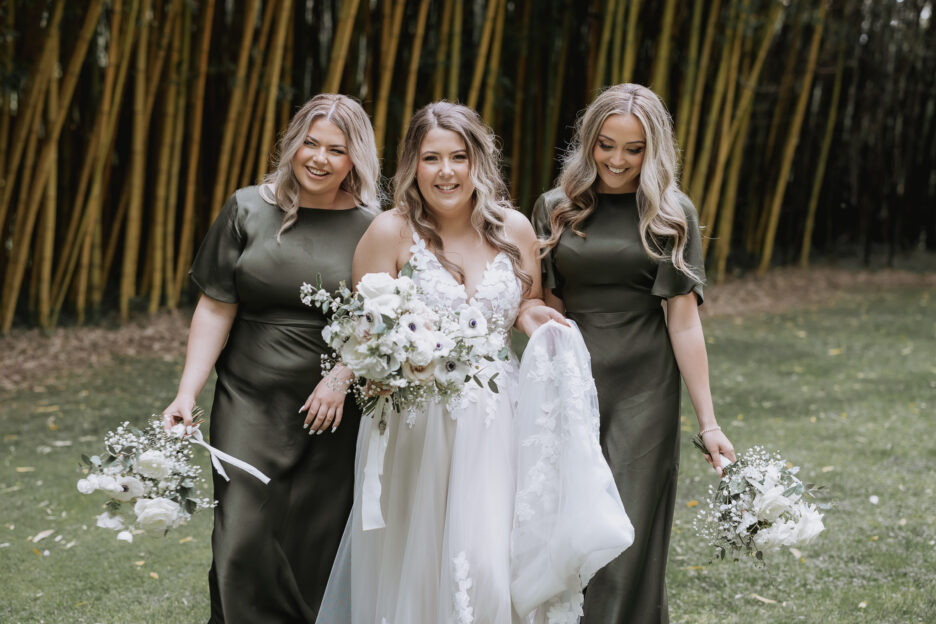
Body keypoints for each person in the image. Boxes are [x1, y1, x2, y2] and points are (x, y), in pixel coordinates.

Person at [316, 101, 626, 624]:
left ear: (478, 161)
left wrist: (536, 321)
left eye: (458, 156)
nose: (446, 171)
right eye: (431, 157)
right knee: (413, 568)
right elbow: (363, 331)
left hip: (494, 419)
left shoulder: (514, 228)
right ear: (413, 164)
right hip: (417, 425)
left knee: (485, 563)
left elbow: (526, 301)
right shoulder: (389, 233)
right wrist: (360, 373)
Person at [517, 83, 736, 623]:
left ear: (652, 149)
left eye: (633, 149)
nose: (617, 160)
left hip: (645, 387)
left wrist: (708, 423)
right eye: (606, 144)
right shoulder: (555, 208)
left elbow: (683, 323)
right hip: (570, 382)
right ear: (589, 141)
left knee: (624, 535)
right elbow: (545, 306)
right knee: (568, 528)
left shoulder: (671, 213)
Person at [161, 94, 381, 623]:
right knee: (240, 537)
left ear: (356, 160)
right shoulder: (246, 208)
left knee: (311, 543)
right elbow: (215, 306)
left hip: (332, 406)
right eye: (310, 143)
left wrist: (343, 373)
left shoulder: (374, 226)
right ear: (292, 145)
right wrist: (186, 393)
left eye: (336, 149)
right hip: (248, 398)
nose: (319, 158)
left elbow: (384, 320)